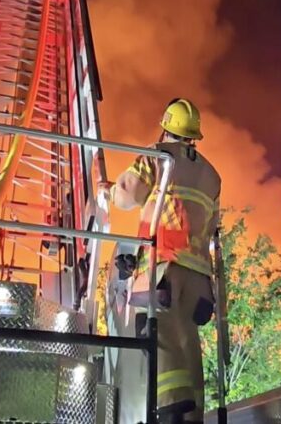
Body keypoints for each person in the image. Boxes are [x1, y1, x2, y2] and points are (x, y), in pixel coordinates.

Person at [108, 98, 221, 424]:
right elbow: (212, 225)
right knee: (187, 341)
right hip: (199, 275)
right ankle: (194, 416)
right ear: (193, 136)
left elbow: (127, 196)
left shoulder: (157, 156)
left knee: (152, 329)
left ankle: (174, 403)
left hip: (163, 265)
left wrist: (108, 191)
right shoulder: (212, 175)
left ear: (165, 127)